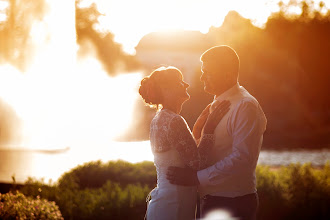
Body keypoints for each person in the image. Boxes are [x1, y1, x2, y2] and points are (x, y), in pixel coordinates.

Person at [166, 45, 267, 220]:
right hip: (211, 199)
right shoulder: (217, 104)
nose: (202, 76)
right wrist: (197, 132)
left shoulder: (245, 106)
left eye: (208, 71)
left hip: (233, 202)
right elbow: (211, 151)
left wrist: (196, 178)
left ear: (227, 74)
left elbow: (242, 158)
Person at [138, 66, 230, 220]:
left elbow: (182, 154)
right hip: (175, 206)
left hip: (165, 204)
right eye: (180, 82)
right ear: (167, 89)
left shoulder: (159, 119)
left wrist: (198, 128)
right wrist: (209, 130)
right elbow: (198, 162)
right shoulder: (174, 120)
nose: (186, 85)